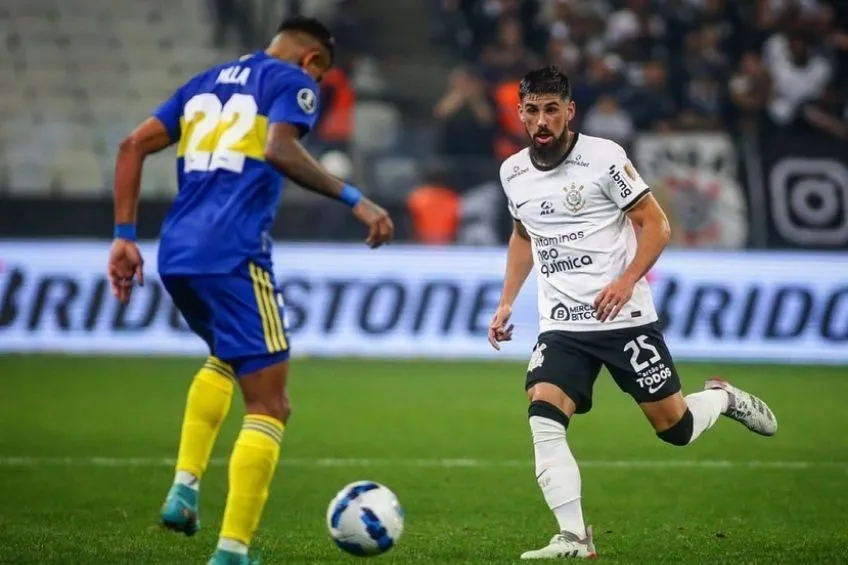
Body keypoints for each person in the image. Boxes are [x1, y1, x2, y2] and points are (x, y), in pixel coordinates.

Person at [107, 16, 394, 565]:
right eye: (323, 75)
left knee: (225, 355)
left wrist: (123, 237)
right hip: (234, 253)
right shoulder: (293, 81)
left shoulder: (203, 83)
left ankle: (184, 490)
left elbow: (131, 145)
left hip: (178, 253)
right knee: (270, 404)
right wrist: (356, 197)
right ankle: (232, 552)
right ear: (312, 61)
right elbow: (280, 150)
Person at [487, 66, 777, 560]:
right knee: (543, 413)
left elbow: (656, 225)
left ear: (568, 111)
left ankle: (722, 399)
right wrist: (507, 300)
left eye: (551, 110)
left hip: (625, 321)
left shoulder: (604, 158)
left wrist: (625, 282)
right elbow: (522, 236)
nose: (542, 120)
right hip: (562, 325)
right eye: (532, 110)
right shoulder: (512, 171)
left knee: (676, 430)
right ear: (520, 113)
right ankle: (574, 537)